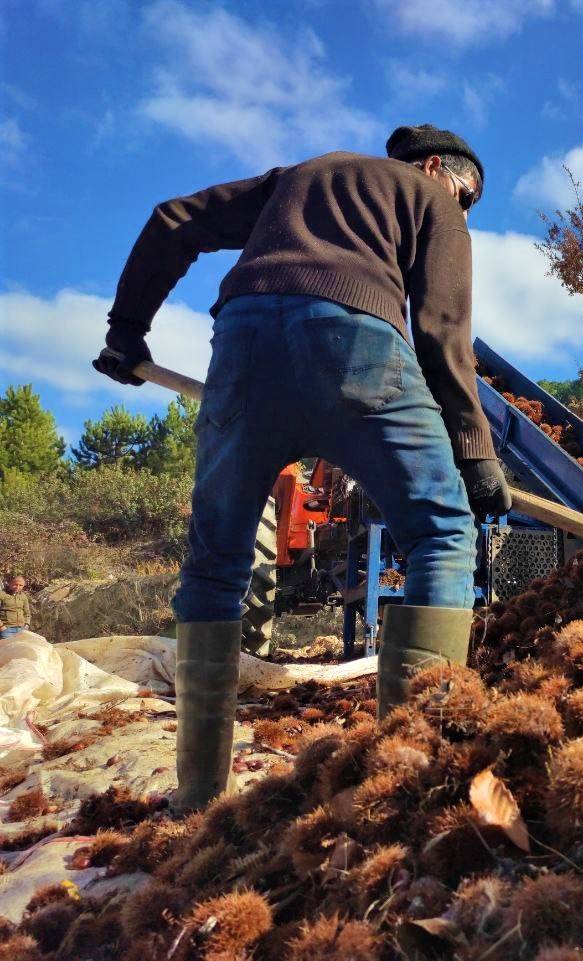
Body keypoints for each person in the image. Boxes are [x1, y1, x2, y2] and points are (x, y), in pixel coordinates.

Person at [92, 124, 511, 812]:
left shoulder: (299, 179)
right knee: (441, 534)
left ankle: (195, 796)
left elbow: (174, 220)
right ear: (438, 167)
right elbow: (442, 334)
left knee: (216, 564)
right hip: (358, 343)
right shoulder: (431, 200)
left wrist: (126, 330)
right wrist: (474, 451)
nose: (464, 213)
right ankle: (408, 782)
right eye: (468, 199)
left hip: (243, 345)